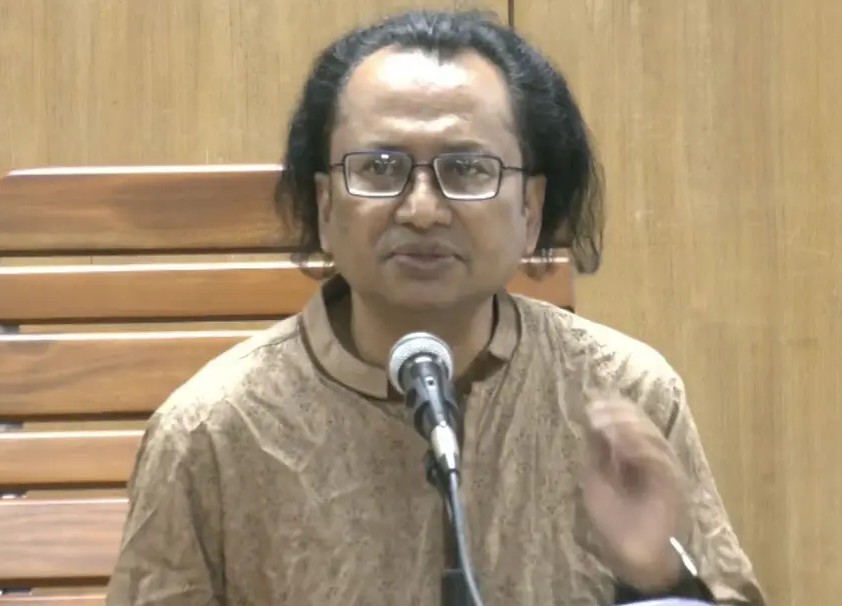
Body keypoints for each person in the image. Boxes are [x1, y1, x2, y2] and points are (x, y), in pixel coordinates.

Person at [106, 9, 766, 606]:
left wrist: (659, 582)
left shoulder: (624, 394)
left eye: (467, 170)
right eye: (379, 167)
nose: (422, 210)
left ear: (531, 209)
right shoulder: (213, 431)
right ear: (327, 206)